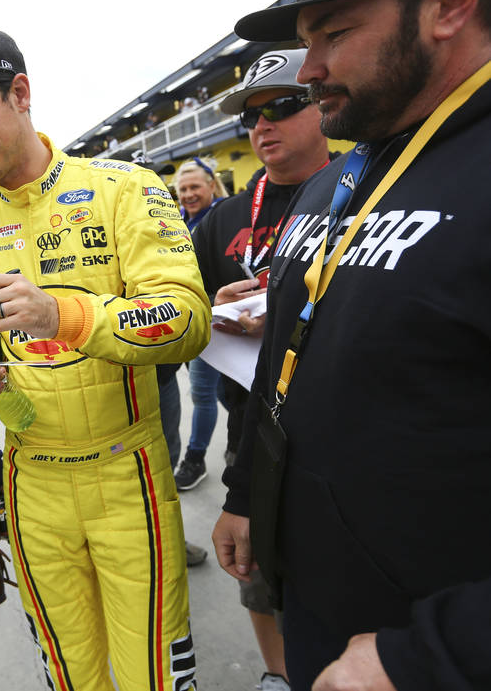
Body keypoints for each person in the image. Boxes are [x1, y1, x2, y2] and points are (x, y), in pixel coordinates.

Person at [0, 30, 211, 691]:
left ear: (20, 93)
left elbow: (188, 322)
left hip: (125, 472)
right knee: (70, 675)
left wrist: (62, 315)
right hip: (31, 485)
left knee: (154, 676)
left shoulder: (124, 188)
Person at [212, 0, 491, 689]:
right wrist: (246, 490)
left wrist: (435, 653)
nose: (308, 70)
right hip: (319, 611)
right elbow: (283, 357)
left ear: (449, 5)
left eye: (332, 34)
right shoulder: (337, 179)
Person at [195, 47, 332, 691]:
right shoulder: (223, 216)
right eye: (251, 116)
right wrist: (209, 307)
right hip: (249, 421)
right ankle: (278, 676)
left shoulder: (357, 194)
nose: (262, 126)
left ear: (321, 103)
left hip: (335, 424)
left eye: (281, 107)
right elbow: (176, 304)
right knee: (257, 572)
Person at [168, 157, 230, 492]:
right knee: (222, 392)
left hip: (218, 321)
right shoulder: (177, 222)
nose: (189, 194)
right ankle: (248, 438)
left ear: (211, 186)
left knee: (203, 391)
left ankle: (195, 457)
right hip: (189, 320)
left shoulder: (223, 216)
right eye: (183, 189)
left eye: (195, 187)